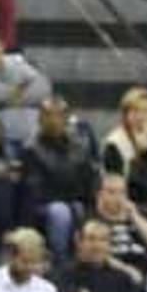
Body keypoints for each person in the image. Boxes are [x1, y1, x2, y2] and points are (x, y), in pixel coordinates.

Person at [22, 97, 97, 262]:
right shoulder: (31, 150)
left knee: (85, 208)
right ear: (40, 119)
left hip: (74, 202)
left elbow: (88, 183)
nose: (53, 121)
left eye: (59, 115)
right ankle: (60, 260)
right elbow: (35, 191)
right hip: (42, 208)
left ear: (66, 118)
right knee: (60, 211)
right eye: (48, 115)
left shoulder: (80, 147)